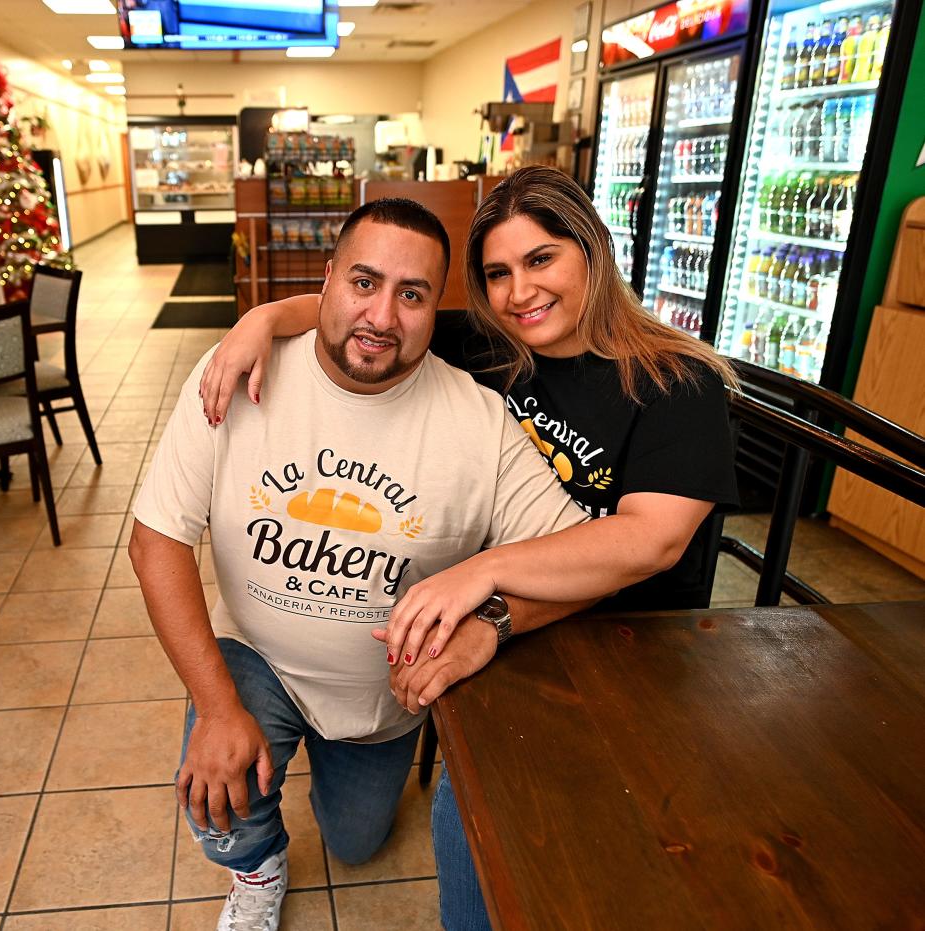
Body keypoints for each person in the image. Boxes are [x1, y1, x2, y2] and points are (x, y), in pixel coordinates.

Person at [197, 166, 739, 930]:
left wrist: (480, 579)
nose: (521, 292)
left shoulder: (677, 382)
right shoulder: (493, 347)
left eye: (541, 259)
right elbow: (365, 314)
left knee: (543, 827)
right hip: (509, 626)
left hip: (628, 646)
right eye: (498, 273)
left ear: (592, 249)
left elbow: (649, 544)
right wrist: (258, 320)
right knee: (476, 805)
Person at [130, 197, 613, 931]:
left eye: (411, 294)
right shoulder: (239, 369)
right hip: (254, 656)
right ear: (325, 282)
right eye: (363, 282)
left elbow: (583, 557)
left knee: (357, 841)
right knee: (219, 796)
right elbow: (155, 539)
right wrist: (219, 706)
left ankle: (337, 772)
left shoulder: (477, 422)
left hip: (381, 696)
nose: (382, 317)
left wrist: (495, 619)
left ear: (437, 307)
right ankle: (256, 869)